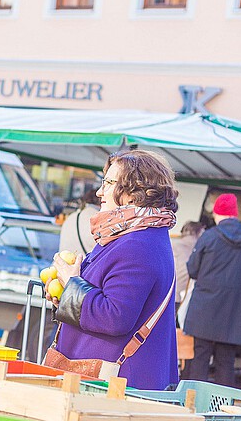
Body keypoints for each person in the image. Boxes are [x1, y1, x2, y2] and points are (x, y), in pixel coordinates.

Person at [48, 149, 180, 391]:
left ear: (133, 193)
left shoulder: (138, 244)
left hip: (115, 387)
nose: (99, 191)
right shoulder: (133, 236)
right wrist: (65, 297)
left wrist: (72, 284)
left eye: (108, 182)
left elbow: (114, 317)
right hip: (106, 383)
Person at [182, 193, 241, 387]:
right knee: (226, 362)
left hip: (205, 309)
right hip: (234, 312)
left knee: (199, 360)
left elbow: (193, 269)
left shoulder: (209, 236)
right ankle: (221, 410)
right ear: (235, 214)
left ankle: (193, 407)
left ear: (217, 213)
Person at [171, 221, 204, 313]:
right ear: (194, 233)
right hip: (181, 297)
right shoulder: (197, 251)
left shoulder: (173, 246)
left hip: (170, 295)